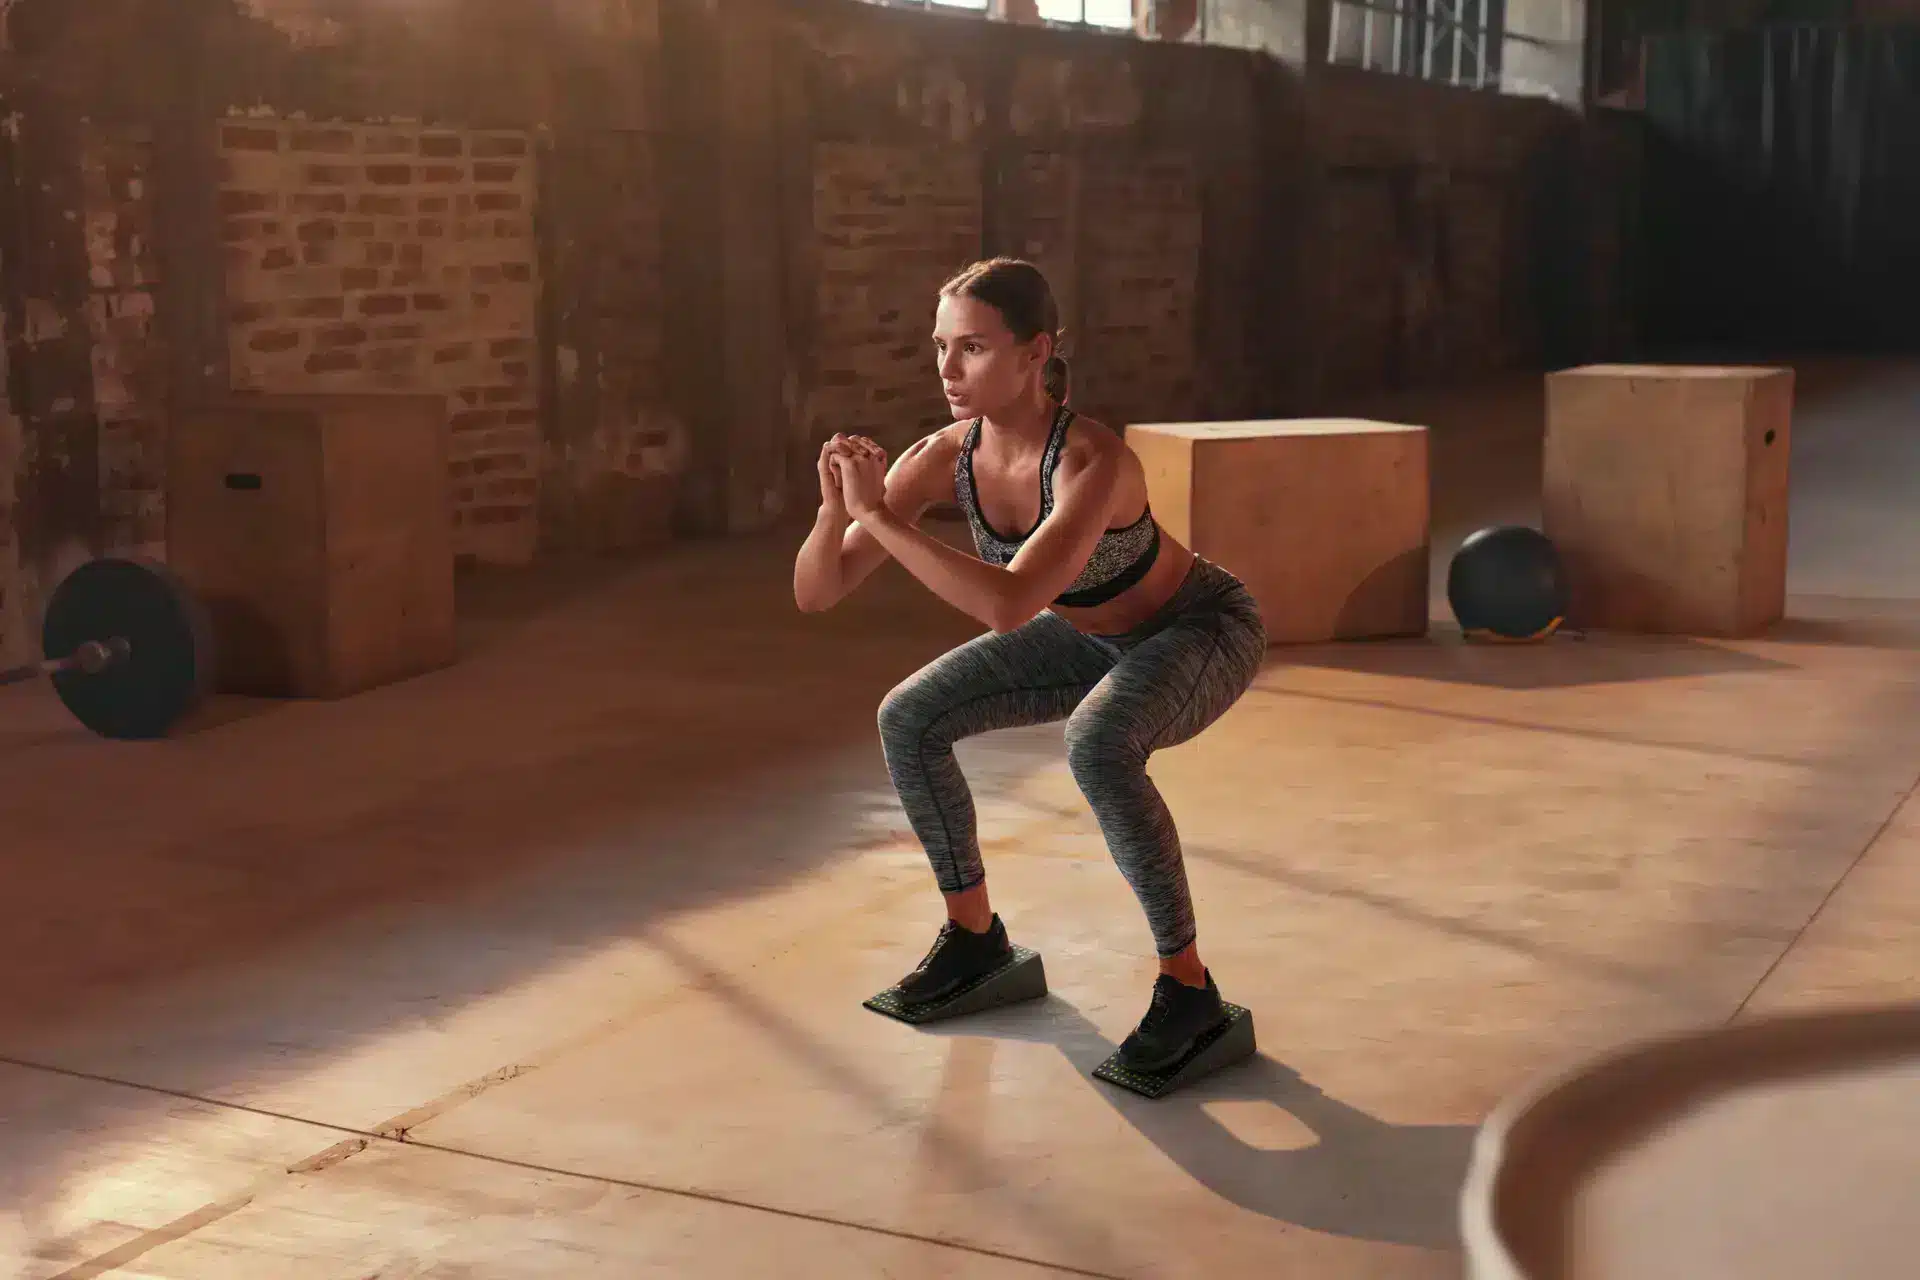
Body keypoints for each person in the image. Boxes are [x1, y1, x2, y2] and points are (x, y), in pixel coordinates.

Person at [792, 257, 1267, 1074]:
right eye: (939, 347)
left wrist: (879, 515)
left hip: (1196, 629)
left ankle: (1189, 993)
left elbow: (1010, 603)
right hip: (1083, 637)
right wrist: (840, 510)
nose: (947, 370)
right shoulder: (943, 456)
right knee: (909, 717)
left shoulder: (1094, 463)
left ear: (1035, 351)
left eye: (971, 347)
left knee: (1099, 744)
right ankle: (976, 940)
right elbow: (819, 590)